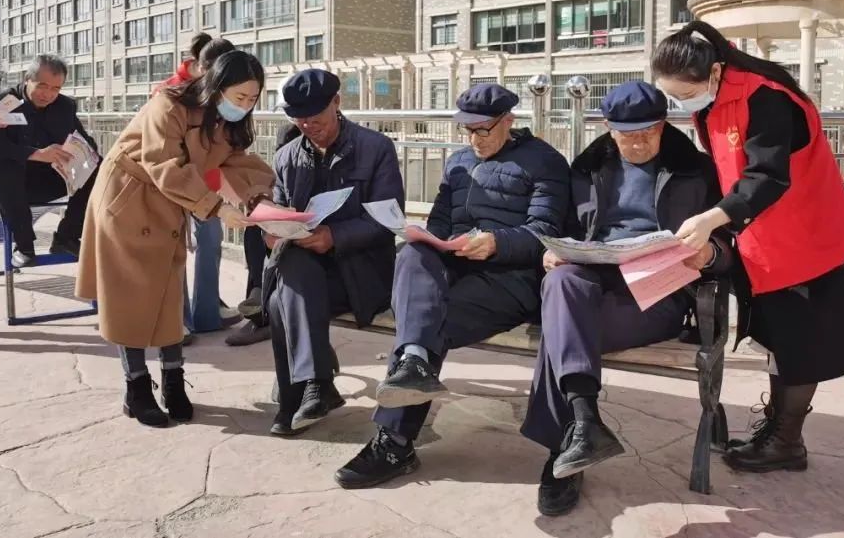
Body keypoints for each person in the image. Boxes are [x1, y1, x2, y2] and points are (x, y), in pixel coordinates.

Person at [652, 20, 844, 473]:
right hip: (766, 241)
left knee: (801, 346)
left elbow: (767, 176)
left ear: (715, 72)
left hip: (807, 240)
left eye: (684, 94)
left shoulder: (766, 97)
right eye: (672, 97)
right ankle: (778, 432)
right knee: (779, 341)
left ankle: (786, 441)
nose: (682, 103)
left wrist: (712, 218)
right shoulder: (717, 99)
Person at [335, 84, 570, 489]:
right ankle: (413, 365)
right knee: (412, 254)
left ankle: (394, 442)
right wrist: (429, 237)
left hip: (510, 280)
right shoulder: (458, 163)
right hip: (457, 267)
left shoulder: (545, 161)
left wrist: (497, 243)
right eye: (468, 130)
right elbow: (440, 224)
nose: (475, 140)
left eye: (483, 130)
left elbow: (546, 231)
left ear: (508, 121)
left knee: (423, 324)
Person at [520, 80, 734, 516]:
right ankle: (584, 426)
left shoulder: (696, 170)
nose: (638, 143)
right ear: (608, 128)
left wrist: (709, 254)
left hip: (659, 294)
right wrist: (553, 253)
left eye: (648, 133)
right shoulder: (586, 168)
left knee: (561, 334)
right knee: (561, 283)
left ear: (664, 124)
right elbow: (565, 232)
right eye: (626, 135)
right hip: (594, 284)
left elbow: (732, 247)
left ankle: (566, 447)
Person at [76, 50, 276, 428]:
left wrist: (261, 197)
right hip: (128, 197)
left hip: (171, 201)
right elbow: (164, 164)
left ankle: (173, 380)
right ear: (217, 87)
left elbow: (237, 162)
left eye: (253, 98)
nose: (246, 105)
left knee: (169, 291)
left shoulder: (223, 121)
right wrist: (216, 207)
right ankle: (136, 387)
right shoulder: (167, 106)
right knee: (130, 295)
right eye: (240, 96)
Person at [266, 69, 404, 436]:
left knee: (281, 302)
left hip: (361, 273)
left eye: (316, 118)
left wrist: (335, 236)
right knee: (286, 280)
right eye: (300, 120)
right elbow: (279, 209)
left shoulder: (375, 148)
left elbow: (388, 221)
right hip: (308, 274)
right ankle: (313, 388)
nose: (309, 126)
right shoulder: (286, 157)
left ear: (337, 103)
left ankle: (303, 394)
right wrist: (273, 232)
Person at [0, 55, 98, 266]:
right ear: (27, 79)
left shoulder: (65, 106)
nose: (48, 94)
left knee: (97, 168)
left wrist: (79, 152)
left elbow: (85, 141)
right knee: (6, 169)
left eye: (56, 89)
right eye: (42, 86)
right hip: (2, 186)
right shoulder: (0, 102)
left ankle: (67, 237)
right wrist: (37, 153)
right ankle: (24, 245)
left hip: (44, 179)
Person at [155, 33, 243, 336]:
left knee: (210, 241)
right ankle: (177, 319)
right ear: (204, 68)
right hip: (176, 185)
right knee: (174, 246)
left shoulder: (219, 95)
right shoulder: (169, 95)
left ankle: (207, 312)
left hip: (207, 185)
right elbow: (165, 156)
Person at [226, 121, 302, 347]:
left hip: (307, 235)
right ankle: (258, 301)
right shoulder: (278, 172)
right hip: (280, 230)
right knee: (256, 226)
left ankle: (262, 301)